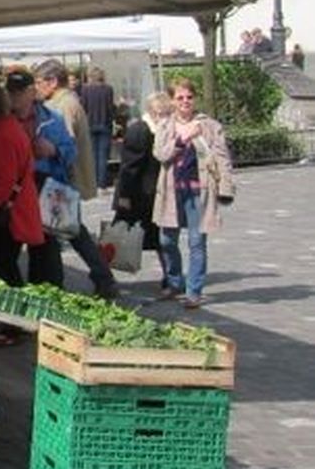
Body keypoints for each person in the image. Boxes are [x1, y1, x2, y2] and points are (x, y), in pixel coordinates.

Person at [35, 60, 120, 299]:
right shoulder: (66, 101)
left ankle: (100, 278)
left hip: (62, 181)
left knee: (69, 232)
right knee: (72, 232)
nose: (37, 87)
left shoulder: (62, 106)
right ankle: (102, 278)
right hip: (64, 181)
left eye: (39, 82)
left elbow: (64, 144)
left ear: (52, 81)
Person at [0, 84, 44, 347]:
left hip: (11, 213)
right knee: (6, 266)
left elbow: (3, 182)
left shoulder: (3, 135)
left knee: (4, 269)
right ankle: (17, 322)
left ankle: (14, 325)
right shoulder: (10, 130)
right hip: (18, 208)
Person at [153, 78, 235, 308]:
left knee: (197, 241)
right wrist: (182, 140)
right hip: (170, 191)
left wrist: (226, 188)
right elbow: (161, 154)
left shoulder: (210, 126)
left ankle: (194, 291)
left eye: (189, 97)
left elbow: (222, 158)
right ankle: (175, 280)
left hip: (200, 191)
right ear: (172, 100)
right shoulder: (165, 125)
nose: (185, 101)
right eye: (180, 97)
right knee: (166, 240)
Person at [9, 68, 69, 290]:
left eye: (20, 91)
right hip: (14, 191)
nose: (15, 97)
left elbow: (71, 152)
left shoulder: (52, 119)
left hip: (47, 189)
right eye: (11, 92)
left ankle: (48, 302)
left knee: (47, 253)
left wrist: (53, 149)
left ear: (31, 92)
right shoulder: (2, 122)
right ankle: (11, 312)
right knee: (7, 254)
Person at [112, 92, 173, 293]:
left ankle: (170, 277)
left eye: (166, 113)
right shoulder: (140, 131)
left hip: (152, 195)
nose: (163, 117)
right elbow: (129, 169)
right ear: (151, 111)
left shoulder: (162, 131)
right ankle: (102, 275)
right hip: (137, 196)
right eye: (160, 113)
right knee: (117, 237)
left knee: (160, 238)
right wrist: (124, 197)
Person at [80, 67, 116, 191]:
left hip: (89, 124)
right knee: (103, 156)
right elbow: (111, 108)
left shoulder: (85, 89)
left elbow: (83, 107)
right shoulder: (108, 89)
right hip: (105, 123)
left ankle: (94, 182)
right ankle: (102, 184)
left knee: (92, 155)